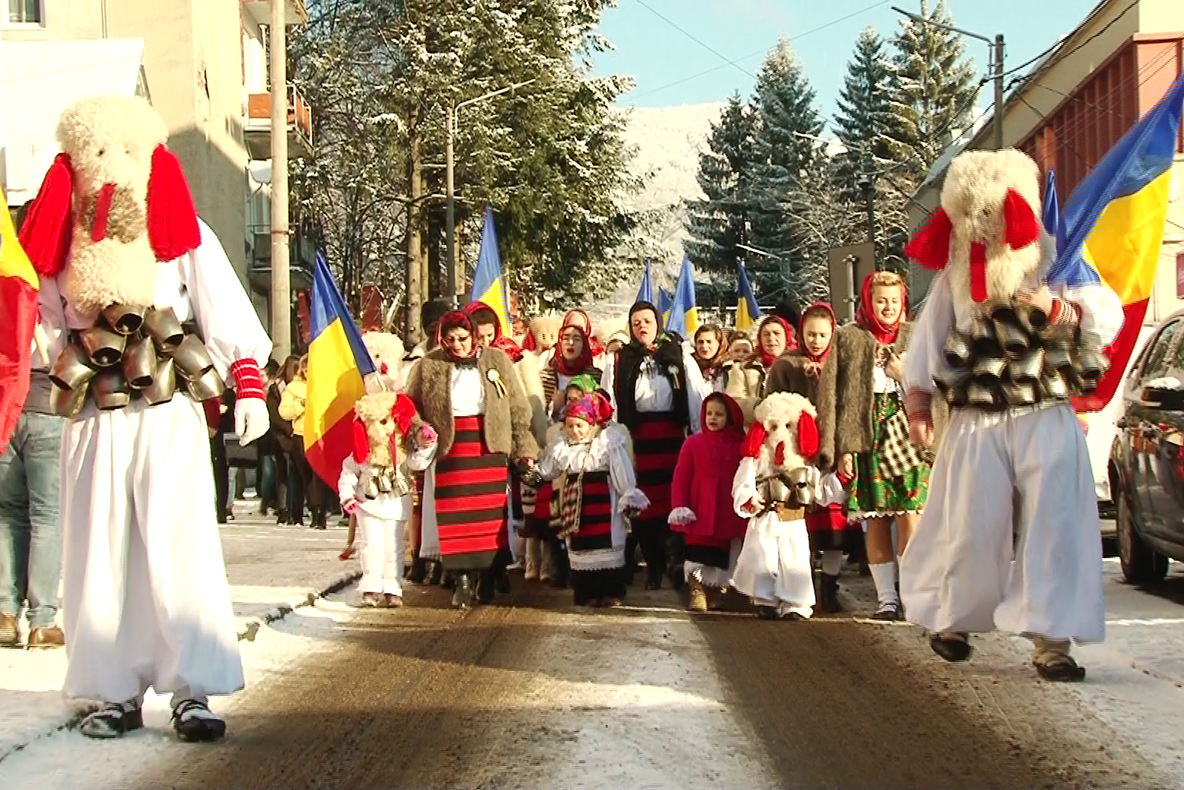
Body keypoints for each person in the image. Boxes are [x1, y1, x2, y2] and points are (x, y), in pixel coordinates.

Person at [19, 95, 271, 740]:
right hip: (93, 413)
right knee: (98, 546)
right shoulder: (59, 241)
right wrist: (55, 352)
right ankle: (112, 689)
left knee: (179, 538)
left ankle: (194, 690)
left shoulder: (179, 232)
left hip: (165, 405)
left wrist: (246, 384)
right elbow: (37, 319)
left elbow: (222, 307)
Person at [899, 148, 1121, 681]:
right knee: (968, 518)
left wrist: (1059, 307)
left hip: (1045, 406)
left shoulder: (1057, 253)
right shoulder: (957, 265)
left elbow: (1105, 315)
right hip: (977, 413)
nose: (980, 225)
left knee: (1055, 522)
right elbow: (932, 332)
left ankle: (1052, 640)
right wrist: (919, 398)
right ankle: (954, 619)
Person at [404, 311, 538, 608]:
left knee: (489, 520)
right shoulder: (429, 365)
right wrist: (420, 430)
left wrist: (523, 448)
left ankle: (488, 576)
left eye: (463, 338)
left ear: (473, 336)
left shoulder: (496, 360)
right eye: (450, 340)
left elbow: (517, 406)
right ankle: (461, 579)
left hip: (489, 447)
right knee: (456, 518)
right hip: (452, 450)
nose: (458, 345)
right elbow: (408, 405)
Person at [817, 271, 929, 620]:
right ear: (868, 301)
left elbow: (934, 384)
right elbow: (833, 396)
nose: (888, 308)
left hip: (907, 430)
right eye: (881, 300)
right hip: (867, 436)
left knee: (911, 514)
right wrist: (840, 449)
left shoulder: (916, 335)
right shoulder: (849, 338)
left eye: (895, 301)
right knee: (876, 518)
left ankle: (912, 593)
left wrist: (902, 373)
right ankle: (887, 600)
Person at [601, 301, 704, 589]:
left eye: (647, 320)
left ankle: (674, 559)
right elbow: (609, 400)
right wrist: (614, 438)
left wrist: (696, 434)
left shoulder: (679, 356)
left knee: (674, 498)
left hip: (672, 436)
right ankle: (653, 565)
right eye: (636, 323)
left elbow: (695, 398)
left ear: (657, 323)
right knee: (642, 504)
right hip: (638, 438)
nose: (642, 326)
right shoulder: (619, 360)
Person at [0, 203, 65, 650]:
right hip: (46, 405)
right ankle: (42, 619)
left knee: (6, 514)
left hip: (5, 409)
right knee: (46, 516)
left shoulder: (6, 283)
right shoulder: (46, 282)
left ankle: (3, 612)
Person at [765, 302, 852, 612]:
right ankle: (797, 586)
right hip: (796, 457)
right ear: (800, 333)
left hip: (832, 453)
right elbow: (771, 409)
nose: (816, 341)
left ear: (832, 334)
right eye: (810, 334)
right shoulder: (785, 365)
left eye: (822, 335)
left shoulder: (842, 363)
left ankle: (829, 586)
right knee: (797, 526)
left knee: (832, 527)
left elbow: (850, 407)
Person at [534, 392, 648, 607]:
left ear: (591, 424)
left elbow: (621, 470)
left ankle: (611, 592)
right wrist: (535, 473)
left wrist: (628, 494)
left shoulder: (607, 443)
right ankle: (586, 594)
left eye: (579, 425)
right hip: (576, 505)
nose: (574, 431)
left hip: (604, 502)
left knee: (607, 547)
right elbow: (550, 469)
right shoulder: (563, 446)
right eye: (570, 426)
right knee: (580, 549)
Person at [732, 393, 839, 620]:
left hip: (794, 520)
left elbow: (820, 491)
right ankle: (765, 601)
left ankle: (795, 604)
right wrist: (749, 498)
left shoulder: (805, 463)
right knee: (763, 559)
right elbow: (742, 482)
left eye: (788, 426)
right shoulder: (757, 458)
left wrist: (839, 480)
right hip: (765, 518)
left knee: (795, 560)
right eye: (774, 426)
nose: (780, 433)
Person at [339, 390, 436, 608]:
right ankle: (371, 587)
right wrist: (347, 497)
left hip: (396, 504)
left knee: (394, 547)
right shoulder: (362, 451)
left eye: (392, 420)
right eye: (383, 422)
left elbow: (417, 464)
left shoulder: (401, 450)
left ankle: (393, 588)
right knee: (372, 545)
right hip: (369, 504)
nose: (389, 427)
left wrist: (425, 446)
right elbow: (348, 473)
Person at [668, 393, 748, 612]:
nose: (712, 418)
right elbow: (681, 476)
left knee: (728, 553)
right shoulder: (693, 443)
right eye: (709, 413)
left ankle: (720, 590)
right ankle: (697, 590)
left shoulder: (740, 444)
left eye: (719, 414)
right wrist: (680, 504)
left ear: (730, 417)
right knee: (697, 553)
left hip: (727, 508)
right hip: (699, 507)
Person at [726, 315, 793, 423]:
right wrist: (761, 406)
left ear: (786, 337)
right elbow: (733, 403)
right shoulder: (743, 368)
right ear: (759, 339)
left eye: (776, 333)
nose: (771, 338)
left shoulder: (796, 367)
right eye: (766, 334)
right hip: (754, 432)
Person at [690, 324, 729, 394]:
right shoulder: (689, 366)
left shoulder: (727, 367)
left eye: (709, 342)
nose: (704, 346)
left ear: (719, 344)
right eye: (700, 342)